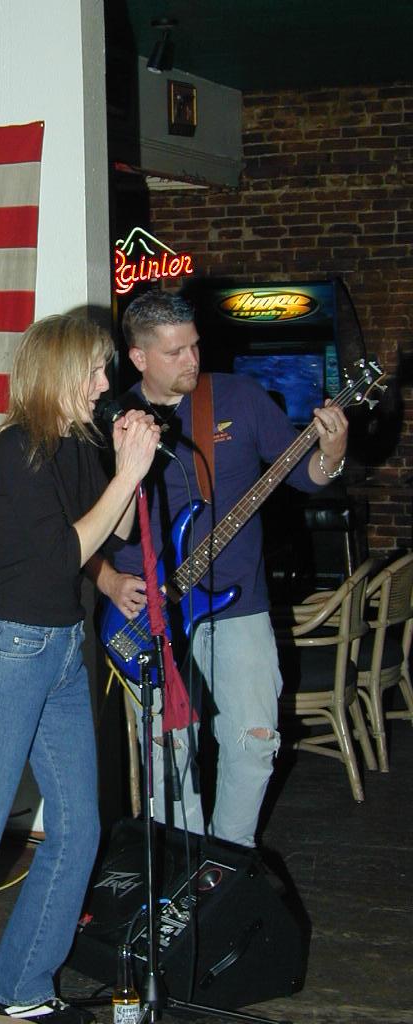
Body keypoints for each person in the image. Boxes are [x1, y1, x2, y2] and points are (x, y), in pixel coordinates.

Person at [0, 314, 161, 1024]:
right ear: (59, 372)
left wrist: (127, 463)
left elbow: (118, 531)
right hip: (13, 654)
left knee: (78, 828)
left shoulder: (78, 443)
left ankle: (19, 988)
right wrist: (126, 475)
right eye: (95, 371)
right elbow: (56, 558)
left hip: (65, 652)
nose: (105, 384)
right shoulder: (16, 450)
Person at [95, 290, 348, 848]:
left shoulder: (239, 396)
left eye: (195, 345)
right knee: (171, 750)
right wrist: (107, 580)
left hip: (238, 599)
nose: (192, 359)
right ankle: (183, 859)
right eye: (175, 352)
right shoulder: (112, 419)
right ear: (138, 357)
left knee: (255, 740)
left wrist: (333, 452)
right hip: (149, 613)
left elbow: (307, 475)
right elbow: (75, 527)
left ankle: (230, 859)